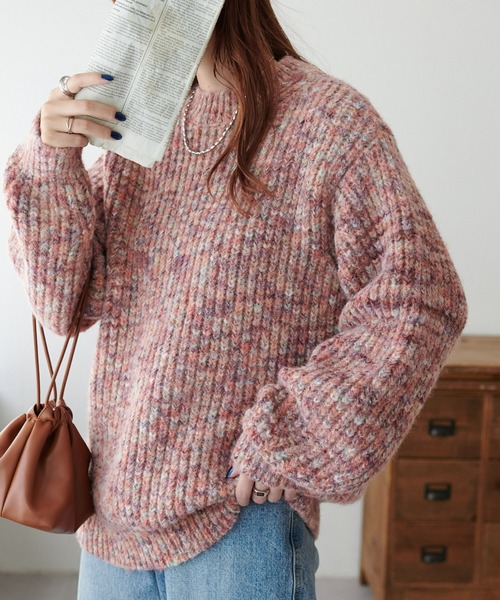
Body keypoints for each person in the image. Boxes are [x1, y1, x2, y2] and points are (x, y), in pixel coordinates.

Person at [3, 0, 467, 598]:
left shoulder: (329, 122)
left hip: (242, 523)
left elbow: (419, 297)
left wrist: (296, 435)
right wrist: (50, 160)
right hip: (113, 522)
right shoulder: (144, 122)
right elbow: (63, 302)